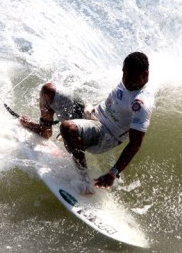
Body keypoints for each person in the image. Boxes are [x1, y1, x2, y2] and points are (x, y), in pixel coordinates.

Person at [19, 52, 154, 193]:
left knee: (68, 128)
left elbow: (135, 144)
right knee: (48, 90)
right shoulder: (129, 80)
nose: (125, 79)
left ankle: (84, 180)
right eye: (124, 73)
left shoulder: (141, 104)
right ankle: (45, 129)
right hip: (92, 114)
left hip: (106, 135)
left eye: (130, 76)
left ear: (145, 74)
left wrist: (113, 173)